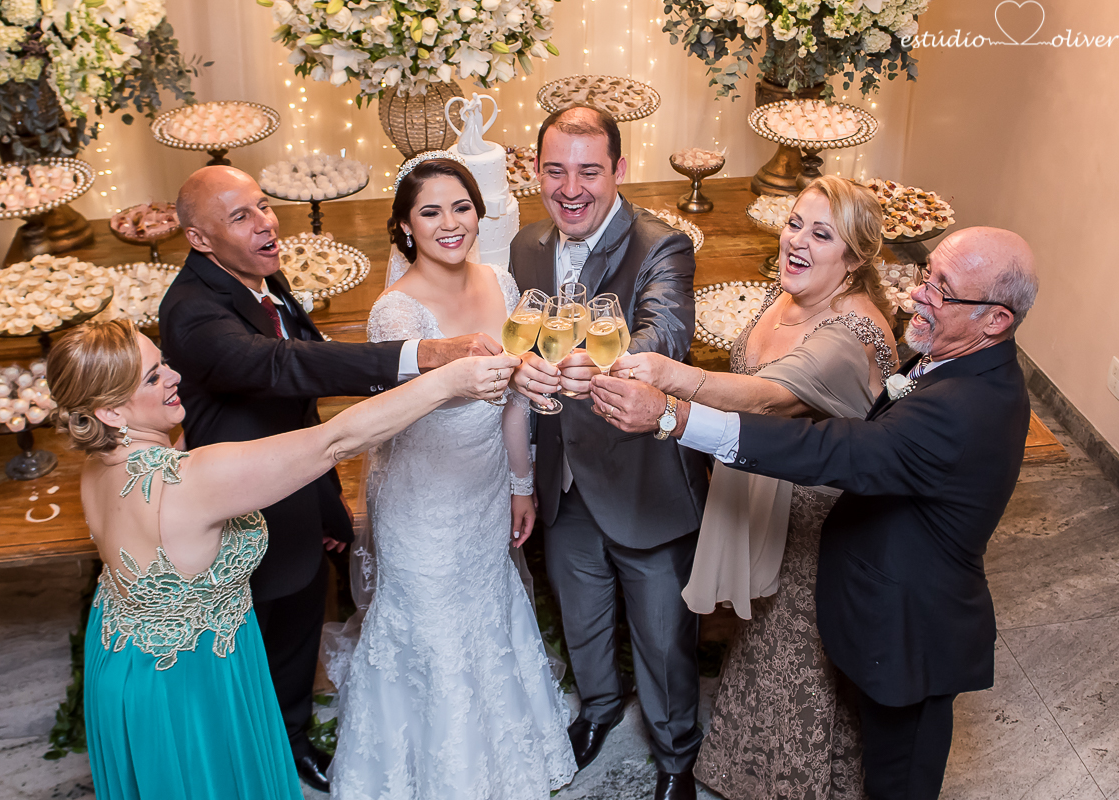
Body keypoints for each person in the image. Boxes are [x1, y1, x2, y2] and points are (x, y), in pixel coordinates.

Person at [591, 226, 1038, 800]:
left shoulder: (966, 408)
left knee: (898, 784)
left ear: (995, 320)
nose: (917, 296)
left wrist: (675, 418)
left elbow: (834, 450)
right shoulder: (954, 360)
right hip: (879, 610)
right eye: (927, 277)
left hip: (913, 636)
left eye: (942, 290)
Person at [47, 318, 516, 799]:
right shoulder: (189, 483)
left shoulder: (97, 466)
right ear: (109, 412)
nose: (174, 376)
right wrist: (446, 380)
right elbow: (335, 441)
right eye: (152, 377)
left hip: (121, 659)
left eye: (163, 362)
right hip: (187, 682)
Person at [159, 166, 497, 791]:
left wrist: (326, 504)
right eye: (241, 216)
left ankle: (289, 733)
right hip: (244, 503)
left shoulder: (259, 273)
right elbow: (283, 367)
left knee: (299, 617)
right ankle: (258, 752)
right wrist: (422, 354)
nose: (266, 223)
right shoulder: (191, 314)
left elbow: (298, 388)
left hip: (301, 478)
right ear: (199, 240)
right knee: (263, 623)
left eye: (262, 206)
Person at [604, 175, 898, 800]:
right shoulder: (793, 290)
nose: (798, 241)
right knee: (761, 642)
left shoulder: (848, 337)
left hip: (818, 520)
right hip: (769, 490)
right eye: (796, 223)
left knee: (802, 660)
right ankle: (748, 767)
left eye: (823, 234)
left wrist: (666, 377)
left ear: (857, 256)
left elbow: (767, 394)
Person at [328, 153, 577, 799]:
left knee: (488, 613)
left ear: (479, 212)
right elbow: (404, 416)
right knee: (432, 628)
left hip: (486, 488)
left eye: (461, 207)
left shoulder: (500, 281)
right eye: (430, 212)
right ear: (405, 227)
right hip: (424, 504)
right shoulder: (397, 313)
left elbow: (517, 399)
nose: (450, 223)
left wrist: (521, 486)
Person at [509, 105, 710, 800]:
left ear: (619, 170)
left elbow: (667, 333)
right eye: (554, 170)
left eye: (589, 171)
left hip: (640, 476)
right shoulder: (526, 245)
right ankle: (597, 710)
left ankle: (677, 754)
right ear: (536, 171)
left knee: (661, 636)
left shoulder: (663, 245)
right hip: (561, 474)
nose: (571, 188)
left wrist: (609, 361)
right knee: (582, 615)